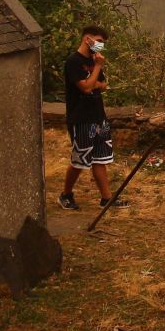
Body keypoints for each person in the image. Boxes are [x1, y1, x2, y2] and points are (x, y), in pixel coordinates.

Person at [59, 26, 115, 210]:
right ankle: (66, 194)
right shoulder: (74, 62)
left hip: (98, 116)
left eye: (103, 43)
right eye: (98, 41)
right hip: (81, 117)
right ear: (87, 39)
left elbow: (104, 85)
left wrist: (95, 81)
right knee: (80, 159)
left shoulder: (93, 59)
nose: (100, 46)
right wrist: (98, 68)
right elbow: (85, 88)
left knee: (100, 158)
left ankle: (106, 199)